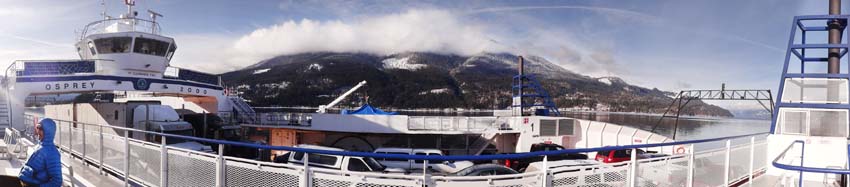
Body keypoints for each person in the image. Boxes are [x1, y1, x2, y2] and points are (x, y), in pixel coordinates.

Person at [19, 118, 63, 187]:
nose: (38, 131)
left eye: (41, 129)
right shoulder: (39, 146)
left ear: (48, 131)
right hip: (25, 181)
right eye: (37, 128)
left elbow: (57, 181)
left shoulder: (52, 153)